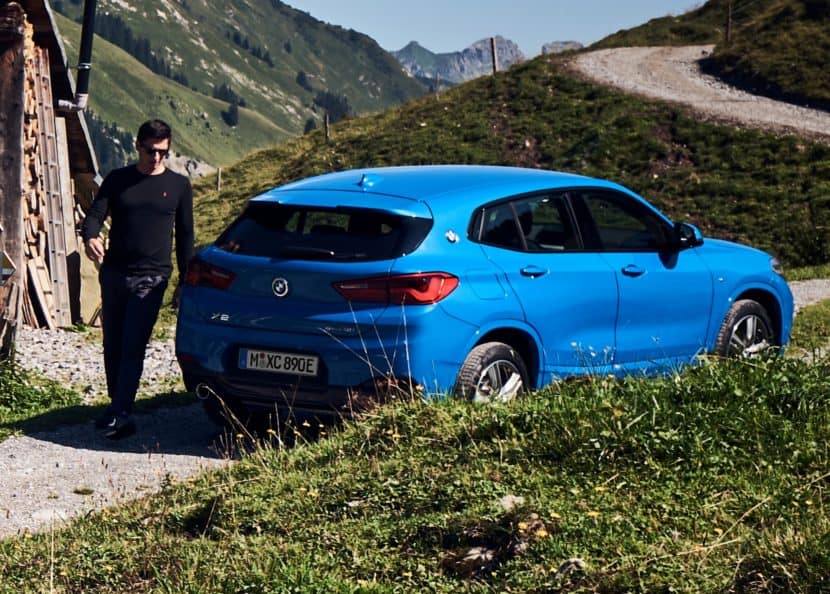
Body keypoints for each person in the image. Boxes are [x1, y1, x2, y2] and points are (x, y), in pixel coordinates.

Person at [81, 119, 194, 439]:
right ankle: (116, 404)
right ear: (138, 146)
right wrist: (91, 237)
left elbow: (185, 236)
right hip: (115, 273)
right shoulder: (118, 180)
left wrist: (185, 280)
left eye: (163, 152)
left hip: (152, 278)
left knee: (133, 343)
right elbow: (95, 215)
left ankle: (121, 412)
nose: (156, 157)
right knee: (113, 343)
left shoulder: (178, 186)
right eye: (150, 151)